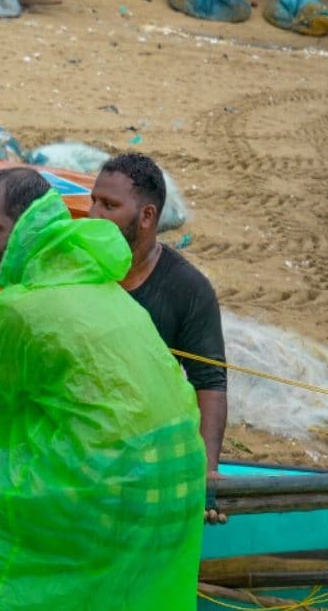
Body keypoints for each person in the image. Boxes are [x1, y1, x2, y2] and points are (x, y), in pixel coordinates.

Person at [0, 168, 205, 610]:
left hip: (112, 476)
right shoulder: (103, 287)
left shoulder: (22, 306)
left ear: (27, 225)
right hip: (180, 467)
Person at [89, 151, 228, 520]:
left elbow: (210, 382)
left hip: (146, 445)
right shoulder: (81, 267)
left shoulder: (188, 288)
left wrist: (207, 474)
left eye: (109, 205)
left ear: (147, 216)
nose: (93, 215)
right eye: (94, 202)